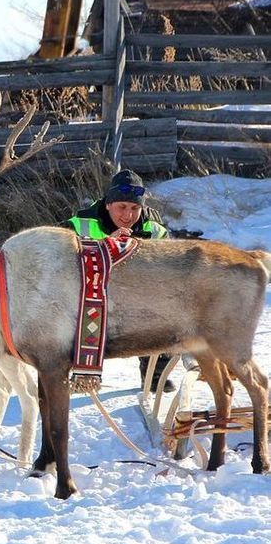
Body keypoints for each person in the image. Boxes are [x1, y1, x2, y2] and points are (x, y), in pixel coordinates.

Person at [62, 168, 176, 393]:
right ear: (107, 204)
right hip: (88, 291)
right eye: (122, 207)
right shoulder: (78, 224)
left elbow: (169, 273)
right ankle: (70, 374)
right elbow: (60, 263)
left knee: (168, 307)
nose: (128, 215)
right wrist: (105, 248)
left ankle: (154, 374)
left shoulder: (155, 230)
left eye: (135, 208)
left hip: (135, 293)